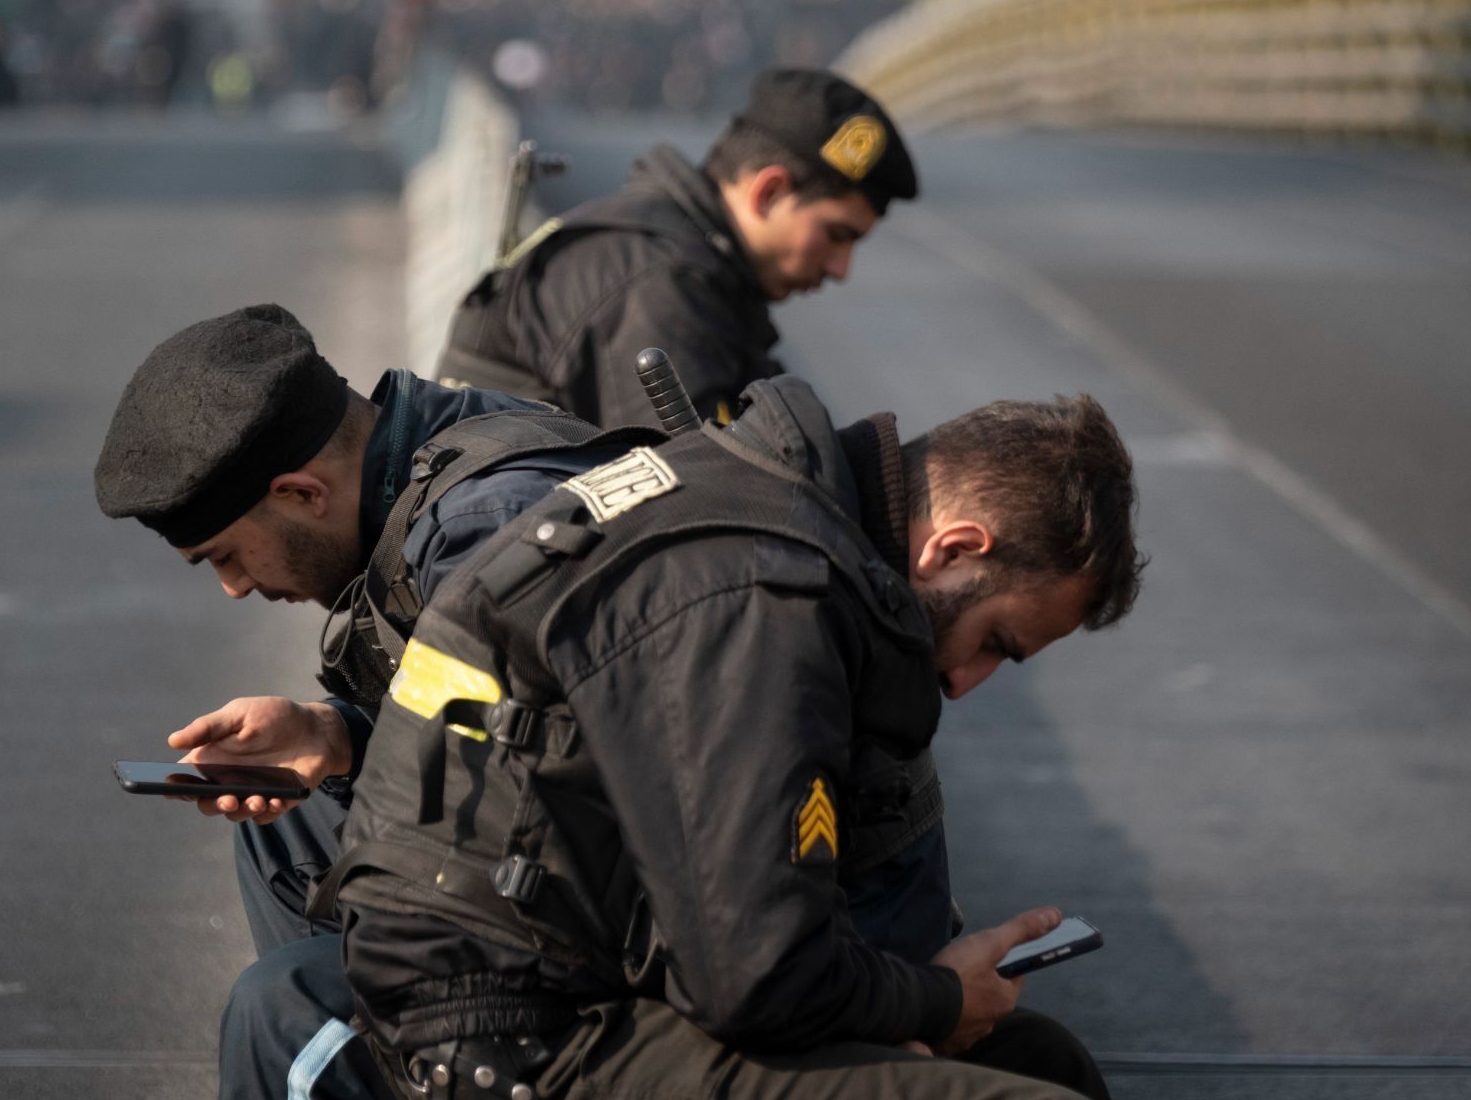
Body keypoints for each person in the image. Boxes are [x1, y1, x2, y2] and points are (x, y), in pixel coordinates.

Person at [331, 376, 1145, 1100]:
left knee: (1040, 1058)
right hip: (502, 1022)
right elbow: (756, 977)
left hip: (546, 963)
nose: (968, 682)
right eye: (997, 641)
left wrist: (910, 998)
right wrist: (937, 998)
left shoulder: (754, 513)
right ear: (955, 548)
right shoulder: (767, 592)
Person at [95, 303, 640, 1099]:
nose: (235, 586)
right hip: (573, 845)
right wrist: (335, 734)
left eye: (226, 554)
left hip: (629, 912)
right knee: (290, 816)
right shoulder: (446, 443)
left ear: (301, 491)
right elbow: (496, 726)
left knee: (286, 1015)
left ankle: (375, 1050)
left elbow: (543, 796)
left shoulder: (482, 539)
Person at [438, 67, 918, 427]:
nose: (840, 269)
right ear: (767, 192)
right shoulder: (658, 285)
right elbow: (704, 506)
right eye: (837, 235)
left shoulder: (694, 273)